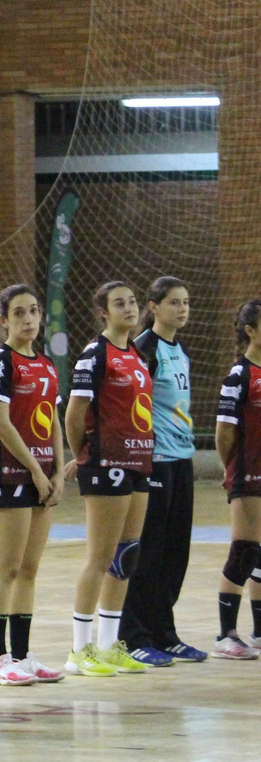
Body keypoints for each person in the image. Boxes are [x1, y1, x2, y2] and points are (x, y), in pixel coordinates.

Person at [63, 281, 154, 678]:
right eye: (120, 304)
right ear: (103, 311)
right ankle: (79, 650)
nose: (130, 309)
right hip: (105, 462)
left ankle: (108, 644)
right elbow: (74, 412)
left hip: (138, 461)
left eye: (133, 302)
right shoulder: (94, 354)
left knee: (125, 555)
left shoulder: (136, 353)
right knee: (99, 557)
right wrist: (84, 455)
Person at [0, 284, 66, 684]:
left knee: (29, 569)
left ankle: (22, 655)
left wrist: (59, 472)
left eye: (33, 311)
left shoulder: (47, 365)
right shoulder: (0, 361)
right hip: (10, 475)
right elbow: (1, 423)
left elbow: (53, 422)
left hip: (43, 476)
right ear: (4, 320)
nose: (29, 319)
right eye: (19, 313)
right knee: (8, 567)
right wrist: (34, 469)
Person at [120, 278, 207, 663]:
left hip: (180, 461)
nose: (183, 309)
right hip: (153, 461)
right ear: (154, 307)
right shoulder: (143, 350)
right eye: (174, 303)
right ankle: (134, 636)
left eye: (186, 302)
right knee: (149, 551)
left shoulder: (178, 348)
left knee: (175, 552)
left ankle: (164, 632)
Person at [213, 298, 261, 660]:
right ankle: (225, 635)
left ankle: (259, 632)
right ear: (250, 330)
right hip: (247, 473)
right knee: (245, 550)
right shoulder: (239, 375)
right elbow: (224, 431)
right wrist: (231, 468)